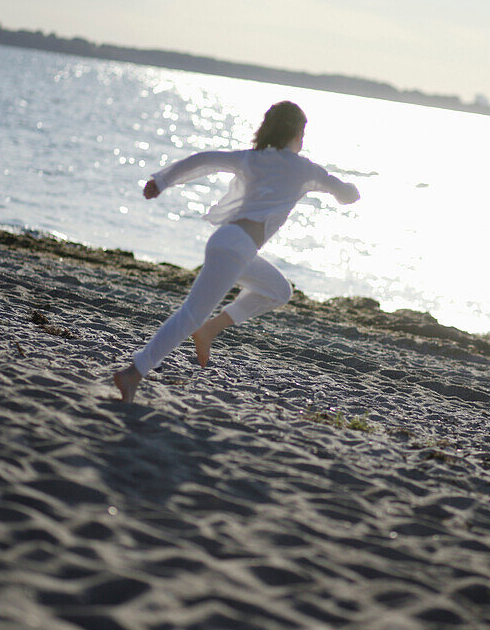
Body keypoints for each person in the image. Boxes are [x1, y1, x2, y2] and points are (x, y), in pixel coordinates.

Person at [114, 100, 360, 403]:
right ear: (297, 133)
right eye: (303, 132)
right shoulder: (305, 169)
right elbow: (346, 193)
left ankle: (208, 331)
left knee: (280, 291)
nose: (303, 139)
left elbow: (206, 159)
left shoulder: (253, 159)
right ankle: (134, 372)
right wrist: (350, 191)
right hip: (235, 247)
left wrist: (162, 181)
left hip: (231, 244)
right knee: (190, 313)